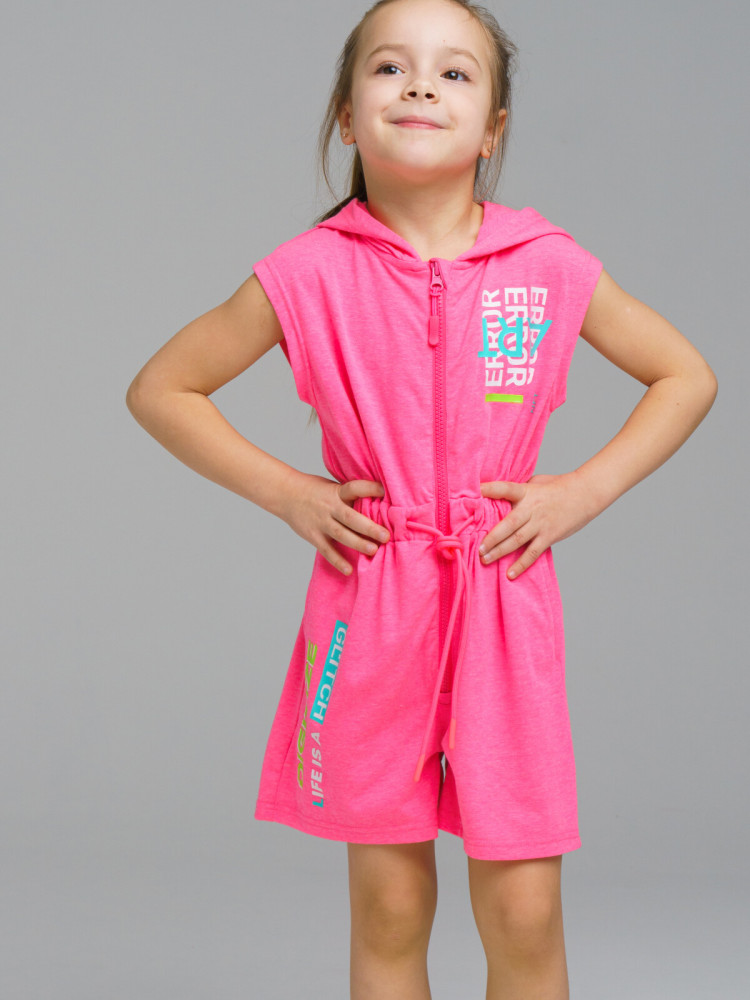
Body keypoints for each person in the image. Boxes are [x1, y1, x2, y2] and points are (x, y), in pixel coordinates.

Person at [125, 0, 718, 996]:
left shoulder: (547, 264)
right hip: (373, 606)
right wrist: (290, 493)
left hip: (501, 599)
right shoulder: (309, 272)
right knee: (392, 904)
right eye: (390, 67)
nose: (420, 87)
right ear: (347, 116)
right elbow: (162, 388)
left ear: (492, 130)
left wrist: (582, 491)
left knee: (524, 910)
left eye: (454, 73)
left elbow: (686, 375)